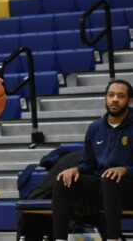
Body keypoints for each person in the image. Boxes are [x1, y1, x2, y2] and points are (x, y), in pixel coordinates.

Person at [53, 80, 133, 241]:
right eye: (111, 95)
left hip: (128, 186)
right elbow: (88, 163)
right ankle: (60, 238)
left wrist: (125, 169)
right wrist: (76, 169)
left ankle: (112, 238)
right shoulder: (95, 128)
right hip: (103, 185)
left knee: (109, 178)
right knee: (63, 180)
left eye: (121, 96)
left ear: (130, 101)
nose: (115, 99)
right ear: (105, 99)